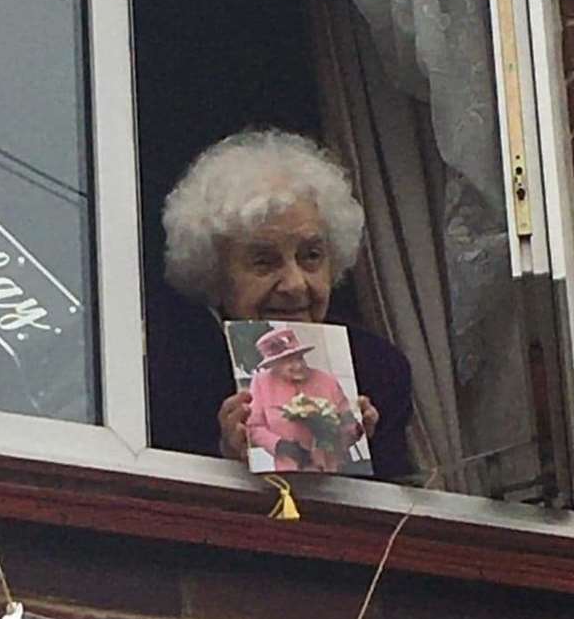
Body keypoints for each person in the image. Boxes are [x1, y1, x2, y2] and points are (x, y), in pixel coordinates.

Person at [158, 129, 412, 480]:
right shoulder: (173, 374)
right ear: (215, 275)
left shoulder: (377, 368)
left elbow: (399, 508)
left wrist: (361, 439)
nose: (295, 284)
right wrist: (224, 455)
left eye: (311, 256)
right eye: (264, 261)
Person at [246, 326, 367, 472]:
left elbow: (347, 421)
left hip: (335, 469)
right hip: (290, 471)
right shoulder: (261, 383)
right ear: (273, 365)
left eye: (299, 358)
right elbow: (253, 426)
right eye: (287, 361)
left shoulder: (326, 380)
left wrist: (355, 430)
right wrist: (280, 445)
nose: (297, 365)